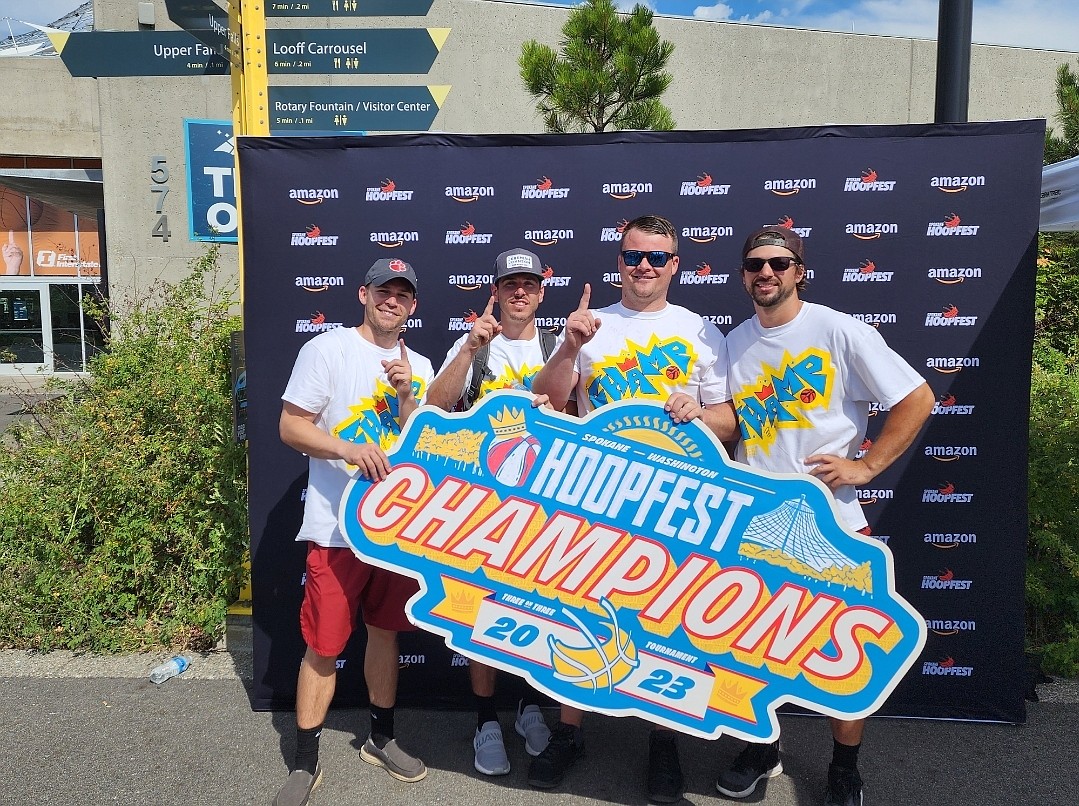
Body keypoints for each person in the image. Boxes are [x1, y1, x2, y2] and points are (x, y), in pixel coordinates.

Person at [715, 226, 935, 806]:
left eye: (779, 264)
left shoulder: (837, 329)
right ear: (743, 275)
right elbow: (731, 424)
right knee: (746, 645)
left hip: (830, 519)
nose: (767, 274)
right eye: (755, 265)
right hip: (757, 519)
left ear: (799, 270)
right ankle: (761, 749)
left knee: (845, 648)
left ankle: (844, 767)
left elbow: (917, 397)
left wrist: (867, 466)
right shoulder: (733, 343)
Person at [530, 215, 737, 803]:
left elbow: (730, 421)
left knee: (668, 620)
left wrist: (699, 414)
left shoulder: (701, 332)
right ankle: (570, 734)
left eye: (655, 257)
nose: (642, 266)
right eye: (632, 256)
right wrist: (569, 345)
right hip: (597, 493)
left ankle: (664, 744)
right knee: (577, 607)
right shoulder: (592, 326)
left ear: (675, 264)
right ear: (618, 261)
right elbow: (546, 398)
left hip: (677, 500)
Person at [273, 258, 435, 806]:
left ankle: (381, 737)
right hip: (336, 527)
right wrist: (347, 449)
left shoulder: (425, 364)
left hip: (396, 534)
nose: (391, 301)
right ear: (363, 294)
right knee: (323, 645)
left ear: (413, 306)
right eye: (383, 291)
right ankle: (304, 758)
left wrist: (410, 400)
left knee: (385, 633)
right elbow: (290, 425)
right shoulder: (327, 349)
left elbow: (430, 451)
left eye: (402, 295)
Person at [426, 247, 556, 776]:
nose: (519, 291)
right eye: (510, 284)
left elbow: (583, 416)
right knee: (482, 613)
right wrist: (468, 350)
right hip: (484, 508)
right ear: (496, 292)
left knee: (536, 612)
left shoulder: (557, 346)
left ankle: (526, 706)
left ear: (541, 291)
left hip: (548, 508)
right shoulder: (474, 345)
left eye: (528, 283)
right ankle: (485, 719)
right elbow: (433, 408)